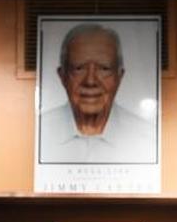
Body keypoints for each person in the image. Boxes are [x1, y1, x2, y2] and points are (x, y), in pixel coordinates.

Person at [39, 23, 156, 164]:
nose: (90, 81)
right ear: (62, 76)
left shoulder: (149, 137)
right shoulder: (37, 133)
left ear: (119, 76)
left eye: (104, 69)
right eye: (79, 68)